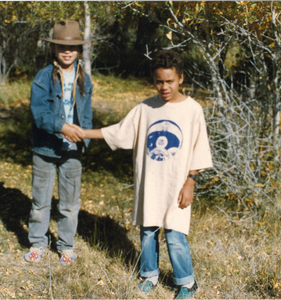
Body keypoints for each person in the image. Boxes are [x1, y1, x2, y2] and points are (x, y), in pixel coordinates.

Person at [69, 50, 212, 298]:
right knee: (148, 231)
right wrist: (83, 132)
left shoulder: (192, 110)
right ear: (153, 80)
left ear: (181, 78)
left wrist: (191, 181)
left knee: (175, 234)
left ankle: (187, 283)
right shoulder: (146, 108)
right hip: (151, 183)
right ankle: (149, 275)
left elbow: (200, 148)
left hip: (177, 185)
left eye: (169, 81)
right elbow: (119, 131)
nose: (164, 87)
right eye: (159, 81)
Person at [24, 20, 93, 265]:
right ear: (53, 49)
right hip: (45, 149)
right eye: (62, 46)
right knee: (41, 201)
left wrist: (85, 137)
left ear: (79, 50)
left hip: (72, 152)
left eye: (73, 47)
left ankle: (66, 246)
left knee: (70, 203)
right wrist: (61, 127)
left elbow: (87, 113)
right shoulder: (43, 77)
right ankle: (37, 243)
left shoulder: (84, 77)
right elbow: (39, 112)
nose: (67, 51)